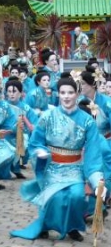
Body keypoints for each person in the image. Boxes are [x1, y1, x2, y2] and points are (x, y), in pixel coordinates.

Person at [10, 77, 107, 242]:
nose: (66, 96)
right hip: (52, 166)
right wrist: (40, 151)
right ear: (58, 94)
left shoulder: (87, 121)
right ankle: (46, 225)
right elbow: (36, 142)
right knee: (56, 197)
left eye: (70, 92)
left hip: (75, 167)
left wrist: (97, 180)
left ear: (77, 94)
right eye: (63, 93)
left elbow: (93, 154)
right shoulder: (47, 117)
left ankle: (72, 226)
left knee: (76, 195)